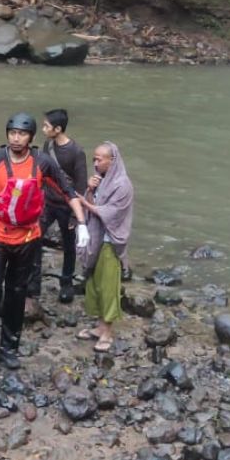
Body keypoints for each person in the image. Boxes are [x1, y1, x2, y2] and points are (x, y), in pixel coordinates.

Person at [0, 112, 88, 372]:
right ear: (7, 134)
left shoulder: (43, 163)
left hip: (27, 235)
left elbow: (68, 191)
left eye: (22, 134)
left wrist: (81, 222)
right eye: (12, 133)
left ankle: (9, 348)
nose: (16, 138)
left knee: (16, 292)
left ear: (31, 137)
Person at [75, 142, 133, 352]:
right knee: (94, 284)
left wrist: (83, 201)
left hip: (110, 243)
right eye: (94, 159)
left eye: (100, 159)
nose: (96, 163)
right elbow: (92, 205)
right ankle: (100, 327)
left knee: (108, 287)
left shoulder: (122, 185)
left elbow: (109, 213)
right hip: (95, 238)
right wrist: (89, 189)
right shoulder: (100, 180)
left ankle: (108, 332)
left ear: (113, 160)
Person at [32, 108, 87, 304]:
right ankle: (34, 282)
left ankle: (66, 283)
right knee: (35, 237)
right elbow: (44, 174)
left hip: (66, 205)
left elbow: (81, 185)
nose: (43, 128)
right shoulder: (48, 146)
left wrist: (76, 216)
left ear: (58, 128)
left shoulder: (76, 152)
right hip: (47, 202)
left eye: (46, 126)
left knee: (69, 245)